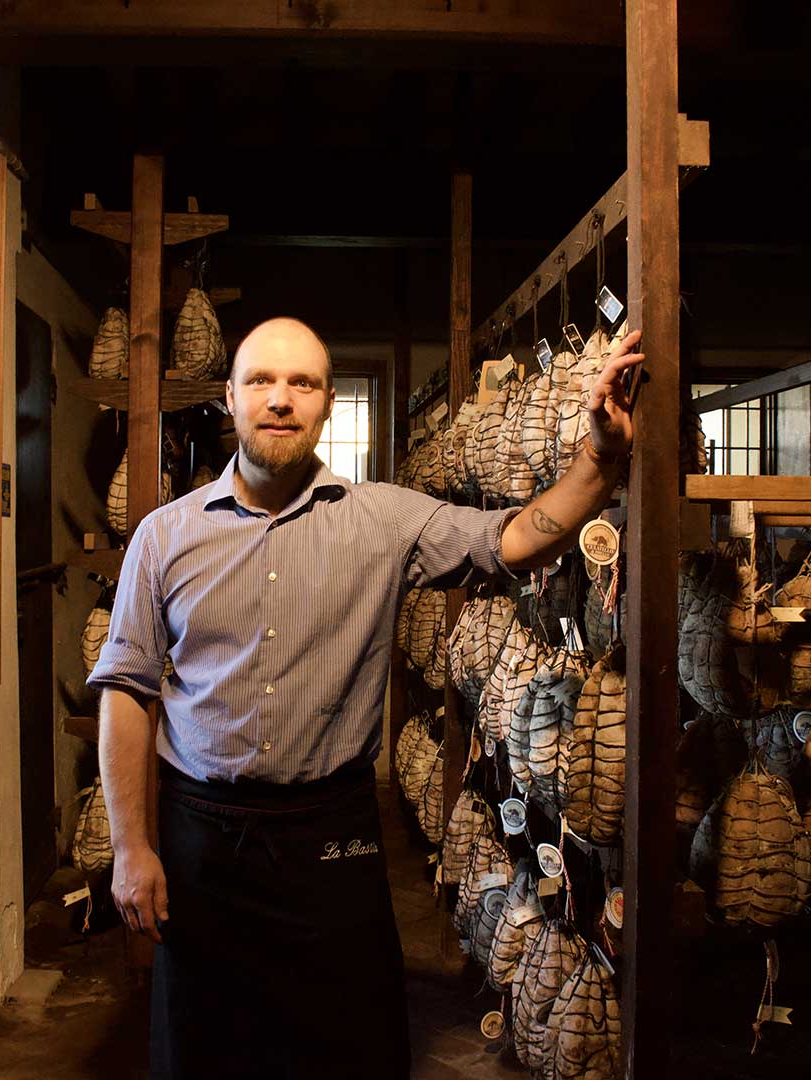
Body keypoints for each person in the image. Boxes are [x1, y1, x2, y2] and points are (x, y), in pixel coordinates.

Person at [87, 317, 644, 1079]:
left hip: (331, 834)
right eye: (261, 381)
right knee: (203, 1050)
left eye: (302, 383)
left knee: (352, 1048)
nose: (280, 399)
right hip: (201, 836)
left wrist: (601, 453)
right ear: (228, 398)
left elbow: (517, 539)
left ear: (325, 405)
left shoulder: (384, 519)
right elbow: (126, 694)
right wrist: (132, 847)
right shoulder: (163, 537)